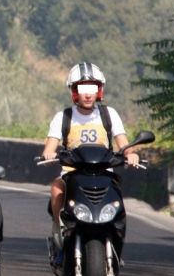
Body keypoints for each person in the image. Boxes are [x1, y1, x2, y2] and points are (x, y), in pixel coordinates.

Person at [41, 62, 139, 265]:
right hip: (72, 174)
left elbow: (123, 142)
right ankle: (59, 233)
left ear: (99, 91)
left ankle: (116, 241)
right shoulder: (64, 117)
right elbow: (50, 146)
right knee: (56, 189)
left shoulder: (109, 114)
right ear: (74, 91)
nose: (87, 95)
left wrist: (131, 154)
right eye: (82, 89)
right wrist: (49, 154)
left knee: (117, 203)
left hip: (104, 174)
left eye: (92, 89)